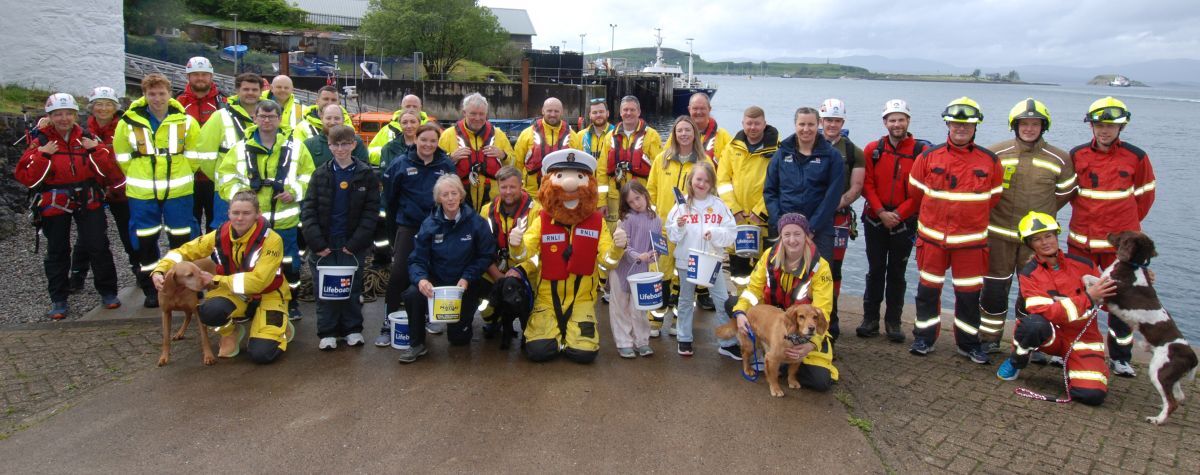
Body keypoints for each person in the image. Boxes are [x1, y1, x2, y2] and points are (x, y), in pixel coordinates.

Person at [508, 149, 629, 363]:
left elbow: (606, 260)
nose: (570, 184)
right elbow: (526, 253)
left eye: (580, 177)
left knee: (584, 354)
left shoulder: (597, 222)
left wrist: (618, 248)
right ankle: (554, 333)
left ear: (588, 183)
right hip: (546, 296)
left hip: (583, 298)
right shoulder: (542, 219)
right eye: (560, 176)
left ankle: (569, 335)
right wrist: (516, 245)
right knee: (538, 351)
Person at [906, 97, 1002, 363]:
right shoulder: (928, 157)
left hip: (970, 245)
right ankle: (924, 338)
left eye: (967, 124)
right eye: (956, 123)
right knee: (927, 292)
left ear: (975, 126)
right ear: (948, 123)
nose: (961, 128)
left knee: (969, 296)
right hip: (933, 241)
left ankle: (968, 343)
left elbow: (993, 197)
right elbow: (915, 194)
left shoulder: (989, 161)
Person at [1067, 96, 1155, 377]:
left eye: (1110, 126)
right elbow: (1071, 194)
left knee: (1122, 300)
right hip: (1081, 242)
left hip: (1119, 249)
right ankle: (1074, 350)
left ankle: (1120, 357)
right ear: (1091, 126)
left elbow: (1144, 198)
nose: (1104, 130)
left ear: (1122, 127)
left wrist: (1126, 231)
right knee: (1080, 297)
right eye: (1099, 125)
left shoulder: (1136, 157)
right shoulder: (1077, 155)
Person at [152, 190, 294, 364]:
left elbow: (258, 282)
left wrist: (216, 280)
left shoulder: (272, 240)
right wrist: (159, 270)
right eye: (235, 213)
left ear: (258, 214)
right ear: (228, 214)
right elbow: (183, 252)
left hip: (269, 295)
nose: (240, 218)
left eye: (246, 213)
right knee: (208, 311)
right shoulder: (220, 235)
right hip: (235, 292)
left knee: (261, 354)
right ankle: (230, 332)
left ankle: (281, 326)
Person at [978, 98, 1075, 353]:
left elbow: (1065, 194)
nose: (1029, 128)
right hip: (998, 236)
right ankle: (989, 340)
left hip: (1036, 242)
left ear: (1044, 127)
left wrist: (1043, 220)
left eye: (1035, 124)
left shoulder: (1060, 158)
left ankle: (1028, 343)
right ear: (1015, 125)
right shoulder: (996, 153)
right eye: (1024, 123)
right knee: (994, 291)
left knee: (1033, 294)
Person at [16, 93, 123, 318]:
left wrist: (95, 150)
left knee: (98, 246)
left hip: (88, 198)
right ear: (50, 116)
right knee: (57, 251)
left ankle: (108, 292)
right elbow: (27, 178)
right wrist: (43, 156)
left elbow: (110, 173)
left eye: (68, 113)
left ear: (76, 115)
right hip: (55, 202)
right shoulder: (42, 142)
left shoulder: (87, 138)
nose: (64, 118)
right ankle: (59, 299)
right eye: (58, 114)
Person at [995, 212, 1114, 406]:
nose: (1044, 242)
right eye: (1037, 239)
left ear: (1057, 235)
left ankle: (1079, 366)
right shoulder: (1029, 274)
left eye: (1048, 235)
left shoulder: (1084, 264)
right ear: (1029, 244)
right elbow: (1045, 312)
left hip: (1083, 339)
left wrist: (1138, 280)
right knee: (1032, 324)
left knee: (1091, 397)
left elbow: (1109, 303)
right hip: (1052, 335)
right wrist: (1088, 298)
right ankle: (1017, 361)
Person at [215, 99, 315, 321]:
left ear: (279, 119)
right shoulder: (239, 149)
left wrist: (294, 192)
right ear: (255, 118)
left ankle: (291, 301)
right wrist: (242, 200)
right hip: (251, 223)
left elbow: (309, 176)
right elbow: (224, 178)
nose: (267, 120)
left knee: (289, 262)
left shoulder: (296, 147)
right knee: (250, 261)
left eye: (272, 116)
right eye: (262, 116)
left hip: (285, 218)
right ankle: (250, 302)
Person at [113, 73, 202, 308]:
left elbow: (194, 154)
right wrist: (139, 172)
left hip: (178, 190)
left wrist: (182, 171)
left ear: (169, 94)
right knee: (145, 239)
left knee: (182, 238)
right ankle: (152, 287)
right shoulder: (128, 122)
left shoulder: (185, 120)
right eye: (152, 93)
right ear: (144, 95)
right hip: (143, 191)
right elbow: (122, 156)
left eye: (162, 93)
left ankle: (182, 283)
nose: (157, 98)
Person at [731, 213, 837, 391]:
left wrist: (810, 344)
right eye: (787, 234)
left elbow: (823, 311)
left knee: (820, 382)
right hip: (775, 321)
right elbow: (753, 290)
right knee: (732, 305)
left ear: (807, 236)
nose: (792, 240)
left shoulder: (820, 267)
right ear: (781, 236)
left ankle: (783, 359)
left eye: (798, 234)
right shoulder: (769, 256)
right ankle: (770, 352)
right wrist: (740, 312)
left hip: (806, 329)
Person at [397, 175, 497, 363]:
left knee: (458, 340)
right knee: (412, 294)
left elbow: (486, 255)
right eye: (445, 194)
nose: (450, 198)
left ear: (461, 195)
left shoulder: (476, 223)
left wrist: (467, 277)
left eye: (454, 193)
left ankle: (492, 325)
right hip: (438, 282)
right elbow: (416, 260)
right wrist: (421, 280)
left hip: (465, 284)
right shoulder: (429, 225)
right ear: (438, 199)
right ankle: (417, 344)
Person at [301, 125, 380, 350]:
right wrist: (316, 243)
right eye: (336, 144)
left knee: (352, 287)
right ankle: (328, 332)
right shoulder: (319, 174)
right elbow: (308, 210)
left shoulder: (366, 174)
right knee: (324, 290)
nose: (341, 148)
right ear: (329, 146)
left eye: (345, 143)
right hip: (325, 244)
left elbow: (371, 213)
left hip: (351, 245)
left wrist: (355, 243)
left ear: (354, 144)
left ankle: (353, 329)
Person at [377, 123, 455, 346]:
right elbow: (390, 199)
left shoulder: (446, 164)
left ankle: (429, 317)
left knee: (432, 273)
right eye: (424, 140)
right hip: (409, 227)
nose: (428, 144)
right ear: (416, 140)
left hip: (437, 227)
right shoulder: (400, 163)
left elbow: (453, 197)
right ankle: (387, 322)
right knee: (399, 274)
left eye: (433, 141)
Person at [856, 99, 927, 342]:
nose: (897, 124)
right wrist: (880, 211)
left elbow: (921, 190)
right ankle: (870, 319)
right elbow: (867, 184)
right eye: (892, 120)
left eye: (901, 119)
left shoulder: (921, 152)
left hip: (904, 222)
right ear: (885, 122)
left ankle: (894, 322)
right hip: (876, 219)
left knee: (897, 273)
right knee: (875, 270)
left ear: (908, 121)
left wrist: (899, 215)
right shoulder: (872, 150)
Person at [646, 116, 715, 335]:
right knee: (660, 274)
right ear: (674, 134)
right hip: (665, 230)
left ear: (694, 133)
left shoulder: (705, 162)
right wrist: (653, 217)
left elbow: (712, 196)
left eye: (687, 130)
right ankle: (655, 321)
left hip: (691, 231)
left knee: (685, 278)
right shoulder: (662, 159)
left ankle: (679, 321)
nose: (683, 134)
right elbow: (652, 189)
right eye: (679, 131)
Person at [666, 161, 736, 356]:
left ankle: (728, 342)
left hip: (711, 261)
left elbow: (731, 233)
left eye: (706, 180)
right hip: (686, 260)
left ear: (712, 183)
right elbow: (672, 235)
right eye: (698, 179)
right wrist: (678, 226)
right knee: (686, 299)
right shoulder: (681, 206)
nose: (702, 184)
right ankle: (684, 338)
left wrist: (713, 233)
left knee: (722, 299)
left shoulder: (719, 205)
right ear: (691, 180)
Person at [69, 87, 135, 294]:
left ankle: (139, 270)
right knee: (87, 236)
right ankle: (77, 275)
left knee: (128, 232)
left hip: (120, 188)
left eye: (108, 104)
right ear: (92, 107)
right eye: (99, 104)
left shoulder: (125, 127)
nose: (103, 108)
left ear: (115, 107)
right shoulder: (82, 129)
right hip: (93, 188)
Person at [765, 107, 844, 273]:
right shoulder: (781, 154)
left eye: (811, 124)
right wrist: (781, 223)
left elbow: (832, 198)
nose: (806, 129)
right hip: (785, 230)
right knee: (781, 277)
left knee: (820, 278)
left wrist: (812, 228)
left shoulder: (832, 156)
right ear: (795, 125)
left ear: (819, 125)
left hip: (819, 231)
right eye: (802, 124)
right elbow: (770, 191)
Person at [717, 106, 779, 288]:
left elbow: (780, 184)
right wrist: (734, 210)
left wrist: (761, 211)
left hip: (765, 222)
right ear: (743, 123)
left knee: (767, 269)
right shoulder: (731, 148)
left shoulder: (778, 149)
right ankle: (743, 307)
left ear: (764, 124)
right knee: (739, 273)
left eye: (757, 123)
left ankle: (765, 311)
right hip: (738, 221)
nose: (753, 127)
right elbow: (722, 181)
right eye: (749, 123)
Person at [819, 98, 865, 340]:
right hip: (812, 218)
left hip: (838, 218)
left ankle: (832, 321)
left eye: (836, 120)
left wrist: (832, 206)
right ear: (821, 120)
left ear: (842, 121)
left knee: (833, 270)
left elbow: (856, 188)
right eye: (828, 120)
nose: (832, 125)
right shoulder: (808, 145)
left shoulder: (853, 151)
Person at [477, 166, 540, 336]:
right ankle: (494, 319)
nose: (508, 192)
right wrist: (499, 277)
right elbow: (482, 249)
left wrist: (520, 271)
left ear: (522, 186)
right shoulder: (486, 211)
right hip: (496, 272)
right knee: (475, 282)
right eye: (503, 187)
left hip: (528, 274)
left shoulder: (537, 212)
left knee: (536, 327)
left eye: (512, 187)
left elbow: (541, 254)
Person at [197, 72, 263, 229]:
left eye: (254, 89)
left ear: (261, 92)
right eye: (246, 89)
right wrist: (220, 177)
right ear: (237, 91)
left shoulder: (268, 116)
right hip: (228, 189)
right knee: (224, 229)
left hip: (261, 189)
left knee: (258, 231)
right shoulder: (220, 117)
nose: (250, 93)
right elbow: (205, 153)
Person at [438, 93, 514, 212]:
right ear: (464, 113)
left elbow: (514, 164)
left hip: (492, 201)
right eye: (473, 113)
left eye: (481, 114)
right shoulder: (448, 135)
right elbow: (437, 167)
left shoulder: (499, 135)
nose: (477, 118)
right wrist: (450, 158)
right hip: (460, 200)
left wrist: (503, 156)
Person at [609, 181, 660, 358]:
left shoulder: (656, 219)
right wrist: (638, 255)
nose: (636, 204)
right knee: (620, 307)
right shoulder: (626, 220)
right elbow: (623, 246)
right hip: (622, 271)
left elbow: (657, 245)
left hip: (642, 272)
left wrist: (654, 255)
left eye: (638, 198)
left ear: (645, 194)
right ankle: (624, 342)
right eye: (631, 202)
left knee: (639, 308)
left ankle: (642, 341)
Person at [596, 96, 663, 224]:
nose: (628, 113)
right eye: (625, 110)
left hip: (640, 199)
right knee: (614, 236)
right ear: (620, 112)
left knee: (640, 235)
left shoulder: (652, 135)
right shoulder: (610, 136)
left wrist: (652, 202)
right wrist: (602, 201)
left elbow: (658, 171)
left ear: (639, 112)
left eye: (632, 110)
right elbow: (602, 171)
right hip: (614, 197)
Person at [372, 109, 424, 269]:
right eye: (405, 122)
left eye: (413, 122)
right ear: (399, 125)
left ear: (419, 123)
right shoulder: (389, 148)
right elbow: (386, 174)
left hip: (419, 202)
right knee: (394, 237)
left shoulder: (426, 145)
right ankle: (388, 263)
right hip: (395, 201)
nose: (409, 126)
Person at [176, 57, 223, 233]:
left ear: (211, 77)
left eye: (204, 74)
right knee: (190, 220)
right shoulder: (178, 103)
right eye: (195, 74)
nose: (200, 78)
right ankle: (194, 258)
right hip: (187, 174)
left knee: (216, 221)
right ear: (188, 77)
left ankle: (213, 258)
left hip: (214, 174)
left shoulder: (222, 103)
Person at [512, 98, 580, 194]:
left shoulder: (573, 136)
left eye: (556, 111)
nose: (553, 114)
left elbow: (578, 166)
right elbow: (517, 163)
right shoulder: (527, 134)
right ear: (543, 111)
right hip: (533, 194)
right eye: (549, 111)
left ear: (562, 112)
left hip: (562, 193)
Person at [665, 93, 732, 166]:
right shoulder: (677, 135)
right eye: (695, 108)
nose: (699, 112)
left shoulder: (723, 136)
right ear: (689, 109)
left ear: (709, 109)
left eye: (702, 108)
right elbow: (665, 159)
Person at [367, 94, 433, 165]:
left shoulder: (432, 129)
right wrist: (389, 156)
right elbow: (370, 152)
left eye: (414, 106)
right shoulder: (387, 129)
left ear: (420, 108)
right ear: (402, 107)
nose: (411, 109)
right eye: (408, 106)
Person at [304, 104, 368, 169]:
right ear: (322, 119)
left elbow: (364, 172)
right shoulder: (309, 145)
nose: (332, 122)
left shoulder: (356, 141)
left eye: (337, 118)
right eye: (328, 118)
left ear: (343, 120)